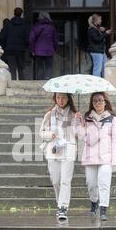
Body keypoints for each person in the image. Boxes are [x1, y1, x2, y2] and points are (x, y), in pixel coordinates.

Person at [77, 92, 116, 221]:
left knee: (104, 183)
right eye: (95, 101)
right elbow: (80, 136)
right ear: (92, 103)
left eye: (100, 100)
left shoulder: (111, 119)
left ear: (105, 102)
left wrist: (115, 160)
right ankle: (94, 202)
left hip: (106, 157)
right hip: (90, 156)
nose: (98, 103)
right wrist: (80, 123)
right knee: (91, 184)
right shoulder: (87, 118)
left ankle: (103, 209)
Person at [40, 93, 80, 221]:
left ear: (68, 99)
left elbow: (80, 134)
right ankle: (59, 203)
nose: (60, 100)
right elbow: (41, 132)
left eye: (63, 97)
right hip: (53, 150)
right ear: (55, 99)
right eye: (58, 97)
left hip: (68, 150)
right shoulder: (49, 114)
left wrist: (80, 121)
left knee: (65, 181)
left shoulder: (74, 115)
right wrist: (50, 134)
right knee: (56, 180)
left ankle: (63, 207)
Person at [0, 8, 29, 80]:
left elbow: (2, 37)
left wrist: (4, 45)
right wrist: (26, 46)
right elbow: (27, 38)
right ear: (21, 14)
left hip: (10, 49)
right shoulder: (25, 26)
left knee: (12, 68)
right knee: (20, 68)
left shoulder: (8, 25)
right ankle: (22, 83)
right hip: (20, 50)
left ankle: (13, 82)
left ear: (14, 13)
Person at [29, 12, 58, 80]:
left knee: (40, 67)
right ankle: (47, 79)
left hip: (38, 50)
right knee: (49, 66)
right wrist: (55, 49)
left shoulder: (35, 27)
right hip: (49, 50)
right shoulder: (52, 28)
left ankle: (39, 81)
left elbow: (31, 39)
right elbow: (55, 40)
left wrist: (32, 50)